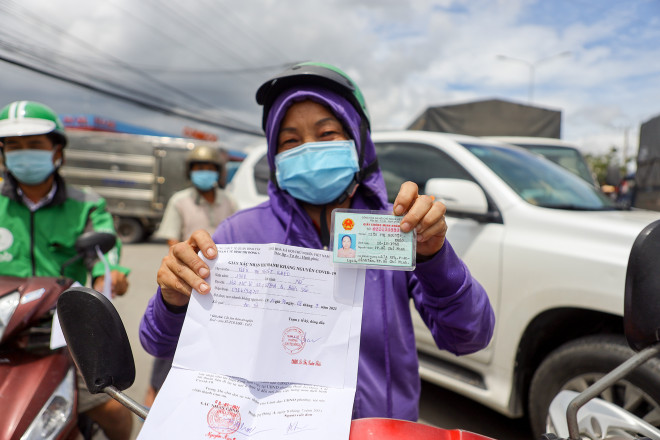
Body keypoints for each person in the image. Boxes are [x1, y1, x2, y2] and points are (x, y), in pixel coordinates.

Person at [139, 62, 495, 421]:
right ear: (276, 158)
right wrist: (172, 300)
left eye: (326, 134)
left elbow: (469, 337)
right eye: (290, 140)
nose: (309, 150)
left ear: (358, 141)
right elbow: (159, 344)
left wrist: (436, 258)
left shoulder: (397, 231)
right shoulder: (238, 235)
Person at [0, 101, 133, 439]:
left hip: (62, 333)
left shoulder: (86, 204)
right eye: (13, 146)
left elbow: (106, 261)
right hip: (4, 326)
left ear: (57, 150)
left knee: (115, 410)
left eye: (34, 145)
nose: (23, 154)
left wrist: (109, 280)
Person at [145, 144, 238, 406]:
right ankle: (152, 408)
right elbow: (173, 242)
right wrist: (190, 266)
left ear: (218, 172)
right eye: (199, 168)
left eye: (209, 168)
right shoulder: (180, 201)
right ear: (190, 171)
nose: (204, 173)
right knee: (169, 349)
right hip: (186, 281)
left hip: (222, 284)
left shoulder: (229, 201)